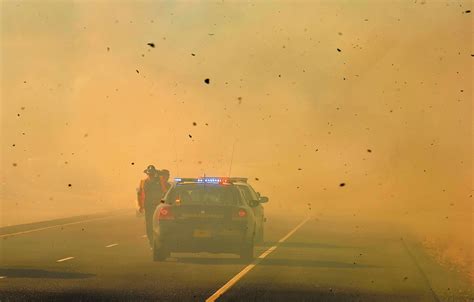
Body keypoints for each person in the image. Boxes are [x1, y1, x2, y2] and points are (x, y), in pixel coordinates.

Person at [137, 165, 168, 247]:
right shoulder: (143, 182)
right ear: (147, 173)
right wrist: (140, 206)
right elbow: (140, 195)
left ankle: (160, 241)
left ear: (154, 173)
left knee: (159, 224)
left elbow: (165, 192)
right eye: (149, 173)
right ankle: (151, 241)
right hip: (148, 206)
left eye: (152, 173)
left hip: (158, 206)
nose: (150, 175)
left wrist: (163, 203)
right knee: (149, 225)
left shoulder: (160, 180)